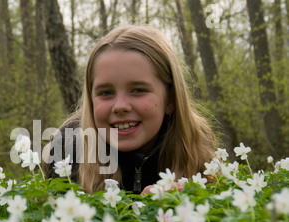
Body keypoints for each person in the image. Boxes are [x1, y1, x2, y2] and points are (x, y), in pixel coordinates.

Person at [43, 24, 218, 194]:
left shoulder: (196, 152)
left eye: (138, 90)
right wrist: (141, 213)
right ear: (90, 100)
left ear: (170, 99)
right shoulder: (66, 152)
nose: (120, 106)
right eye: (106, 92)